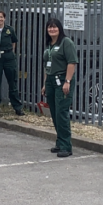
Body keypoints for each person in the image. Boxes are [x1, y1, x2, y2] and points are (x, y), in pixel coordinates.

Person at [41, 18, 78, 158]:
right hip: (51, 80)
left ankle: (66, 146)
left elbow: (72, 62)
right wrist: (45, 84)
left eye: (54, 27)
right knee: (55, 112)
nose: (52, 30)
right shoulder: (49, 44)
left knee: (62, 112)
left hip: (62, 80)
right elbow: (47, 65)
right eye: (49, 27)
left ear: (59, 28)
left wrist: (67, 81)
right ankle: (60, 141)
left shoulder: (66, 43)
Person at [0, 10, 24, 118]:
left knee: (13, 82)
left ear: (4, 18)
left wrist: (9, 53)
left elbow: (14, 42)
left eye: (1, 17)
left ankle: (17, 107)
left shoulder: (9, 30)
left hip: (8, 57)